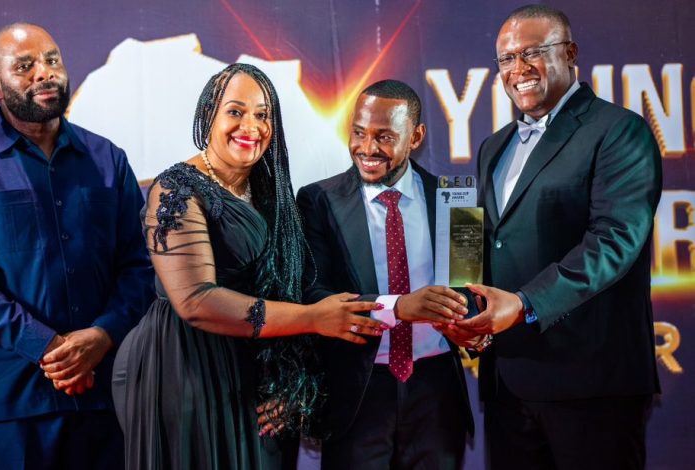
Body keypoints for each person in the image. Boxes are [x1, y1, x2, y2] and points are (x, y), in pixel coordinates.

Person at [111, 63, 387, 470]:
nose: (251, 126)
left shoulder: (271, 190)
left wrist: (291, 380)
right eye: (235, 112)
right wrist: (314, 318)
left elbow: (291, 287)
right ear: (209, 115)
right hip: (187, 367)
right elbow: (196, 301)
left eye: (262, 115)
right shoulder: (175, 189)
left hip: (256, 371)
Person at [445, 5, 662, 469]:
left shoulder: (619, 130)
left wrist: (525, 303)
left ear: (570, 53)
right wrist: (464, 310)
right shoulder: (493, 146)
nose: (518, 69)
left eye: (533, 53)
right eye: (507, 58)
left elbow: (614, 241)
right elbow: (480, 241)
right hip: (508, 384)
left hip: (591, 383)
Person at [0, 23, 154, 469]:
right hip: (9, 411)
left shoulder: (108, 160)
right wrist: (48, 346)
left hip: (104, 401)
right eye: (25, 66)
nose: (44, 73)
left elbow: (139, 266)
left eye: (52, 60)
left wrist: (102, 335)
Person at [296, 80, 474, 470]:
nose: (367, 147)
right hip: (357, 392)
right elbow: (313, 294)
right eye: (359, 132)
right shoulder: (318, 200)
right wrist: (399, 308)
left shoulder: (454, 198)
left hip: (436, 391)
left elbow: (469, 289)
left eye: (384, 137)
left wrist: (473, 326)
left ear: (416, 137)